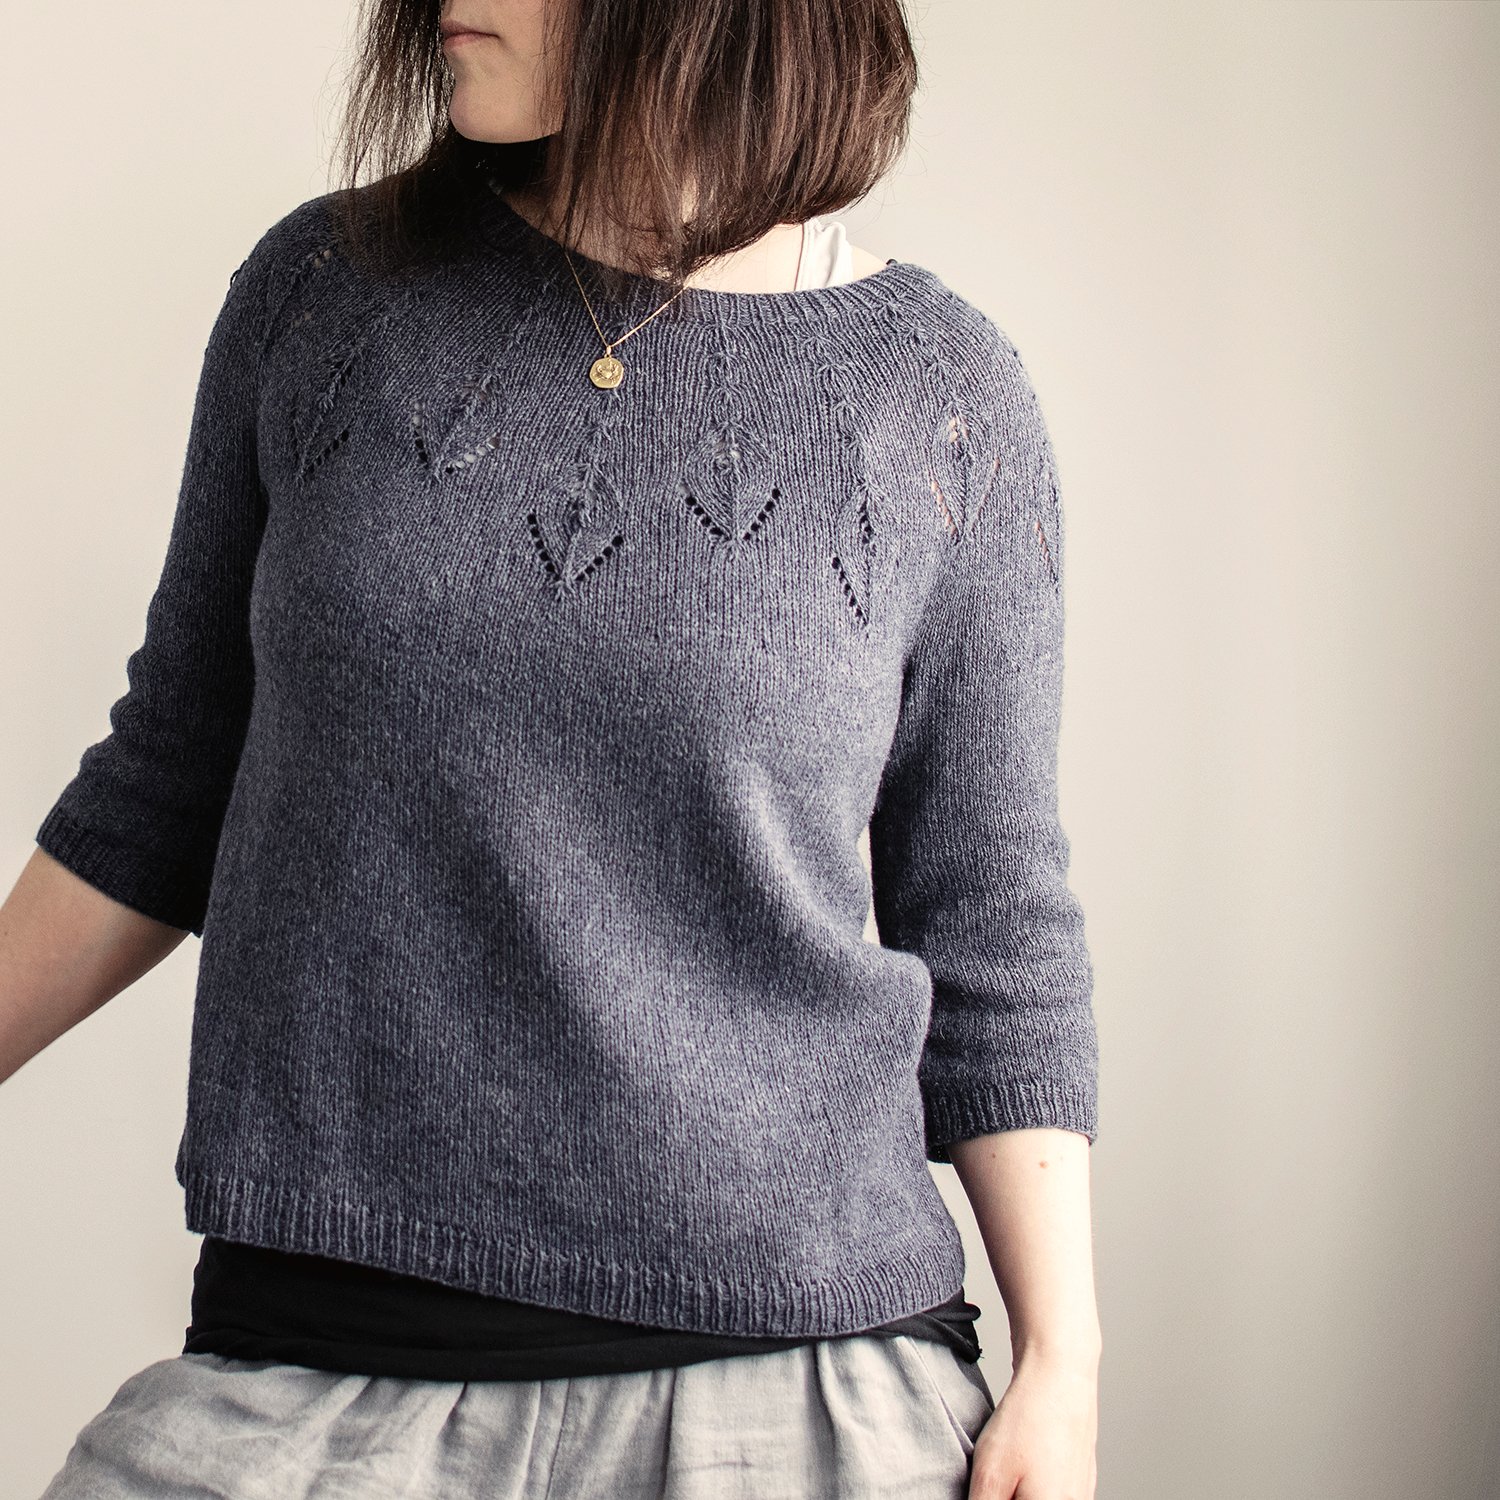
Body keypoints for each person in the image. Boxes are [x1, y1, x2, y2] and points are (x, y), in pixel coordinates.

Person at [3, 1, 1102, 1496]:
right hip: (319, 1350)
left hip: (792, 1382)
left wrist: (1063, 1362)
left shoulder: (942, 397)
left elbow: (988, 912)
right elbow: (166, 780)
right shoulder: (325, 294)